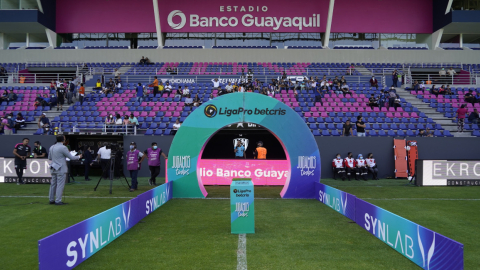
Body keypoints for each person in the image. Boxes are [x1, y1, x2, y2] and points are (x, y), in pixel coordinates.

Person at [48, 135, 81, 205]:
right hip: (60, 168)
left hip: (53, 167)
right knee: (60, 185)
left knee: (53, 184)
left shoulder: (52, 147)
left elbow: (50, 157)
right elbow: (71, 157)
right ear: (63, 140)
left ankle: (51, 199)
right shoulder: (63, 147)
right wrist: (79, 156)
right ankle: (58, 200)